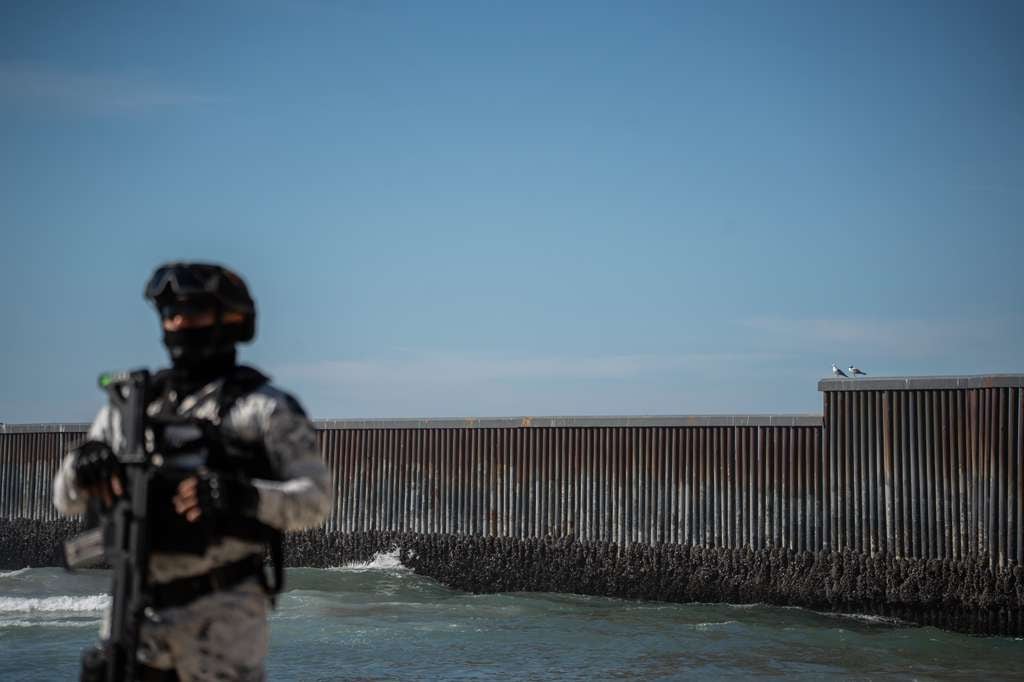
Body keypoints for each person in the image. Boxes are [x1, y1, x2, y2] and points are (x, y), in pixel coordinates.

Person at [53, 262, 331, 681]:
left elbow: (316, 501)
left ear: (231, 320)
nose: (179, 324)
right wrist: (84, 463)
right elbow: (64, 498)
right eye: (170, 315)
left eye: (194, 312)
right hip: (134, 613)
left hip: (222, 622)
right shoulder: (133, 407)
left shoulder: (264, 409)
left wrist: (243, 496)